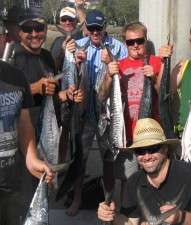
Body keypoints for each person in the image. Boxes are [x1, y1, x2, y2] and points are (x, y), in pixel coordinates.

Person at [63, 9, 128, 216]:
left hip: (106, 116)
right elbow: (67, 79)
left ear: (105, 26)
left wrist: (111, 64)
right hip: (83, 116)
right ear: (86, 28)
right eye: (91, 28)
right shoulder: (78, 47)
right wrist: (76, 62)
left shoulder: (119, 48)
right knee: (79, 158)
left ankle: (109, 200)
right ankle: (78, 197)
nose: (95, 32)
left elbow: (124, 81)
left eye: (98, 28)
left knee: (108, 160)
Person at [97, 118, 191, 225]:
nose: (147, 156)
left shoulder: (190, 175)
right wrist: (111, 216)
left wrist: (181, 217)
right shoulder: (134, 181)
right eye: (140, 151)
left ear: (165, 149)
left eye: (153, 149)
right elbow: (132, 222)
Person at [0, 16, 54, 225]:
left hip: (14, 180)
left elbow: (23, 122)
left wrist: (31, 157)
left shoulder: (16, 77)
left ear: (4, 38)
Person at [101, 21, 170, 144]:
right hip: (124, 135)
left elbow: (165, 97)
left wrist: (154, 78)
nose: (135, 45)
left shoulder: (158, 62)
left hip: (151, 135)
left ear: (145, 39)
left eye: (139, 41)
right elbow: (102, 96)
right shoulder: (118, 65)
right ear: (125, 43)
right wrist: (109, 76)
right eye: (130, 42)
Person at [50, 6, 83, 72]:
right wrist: (62, 51)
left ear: (76, 21)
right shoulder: (56, 41)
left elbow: (86, 27)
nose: (67, 22)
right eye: (64, 20)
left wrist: (80, 8)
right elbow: (52, 67)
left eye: (70, 20)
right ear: (60, 22)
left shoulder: (82, 39)